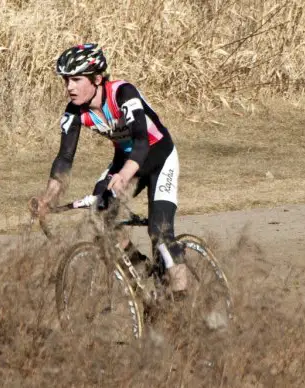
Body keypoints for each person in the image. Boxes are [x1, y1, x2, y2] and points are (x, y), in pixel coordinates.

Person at [33, 43, 190, 291]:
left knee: (160, 234)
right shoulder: (74, 112)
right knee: (101, 214)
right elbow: (64, 157)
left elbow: (141, 141)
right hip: (125, 161)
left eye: (75, 79)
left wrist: (125, 175)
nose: (69, 87)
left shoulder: (123, 93)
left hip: (159, 157)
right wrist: (48, 198)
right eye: (66, 80)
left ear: (97, 78)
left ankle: (182, 301)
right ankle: (143, 271)